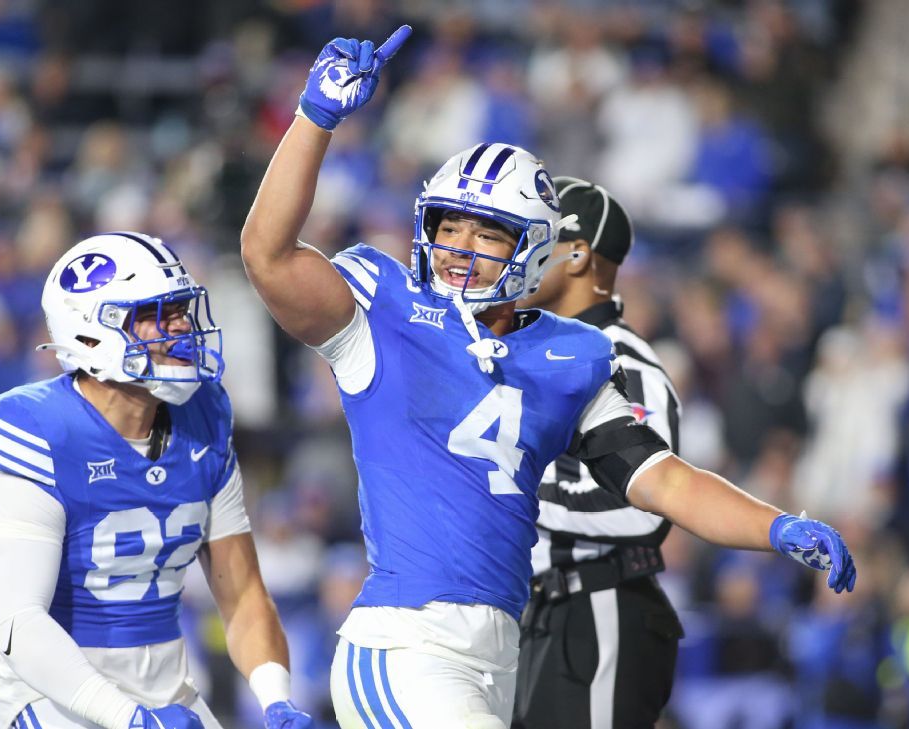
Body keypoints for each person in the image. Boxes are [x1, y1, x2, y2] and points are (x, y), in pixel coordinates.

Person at [240, 26, 856, 729]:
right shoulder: (384, 311)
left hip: (499, 651)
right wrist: (315, 118)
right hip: (405, 643)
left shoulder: (571, 356)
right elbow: (267, 256)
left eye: (487, 233)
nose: (458, 248)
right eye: (448, 227)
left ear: (536, 247)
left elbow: (665, 481)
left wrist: (777, 525)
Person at [0, 232, 312, 729]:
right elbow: (17, 627)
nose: (182, 326)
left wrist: (275, 699)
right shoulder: (38, 429)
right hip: (56, 692)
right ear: (91, 333)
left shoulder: (203, 417)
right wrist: (131, 719)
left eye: (180, 310)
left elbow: (241, 594)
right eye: (157, 314)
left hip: (167, 683)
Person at [510, 177, 683, 729]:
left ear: (578, 255)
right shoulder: (539, 354)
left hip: (598, 605)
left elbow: (644, 509)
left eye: (536, 242)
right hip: (546, 614)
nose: (518, 258)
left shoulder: (621, 360)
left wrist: (511, 493)